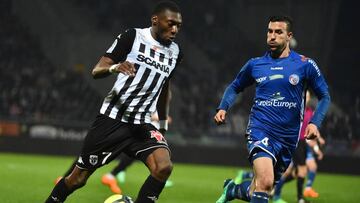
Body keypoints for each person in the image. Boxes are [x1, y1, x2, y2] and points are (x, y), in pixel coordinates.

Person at [45, 1, 183, 202]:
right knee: (77, 179)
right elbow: (96, 70)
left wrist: (161, 125)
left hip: (142, 124)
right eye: (170, 23)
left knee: (163, 167)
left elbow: (164, 88)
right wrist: (114, 67)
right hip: (112, 120)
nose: (175, 29)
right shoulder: (133, 36)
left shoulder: (175, 52)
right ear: (155, 20)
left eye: (178, 25)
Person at [214, 15, 330, 203]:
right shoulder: (255, 64)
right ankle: (237, 190)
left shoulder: (305, 64)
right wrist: (223, 107)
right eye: (269, 32)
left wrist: (315, 123)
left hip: (288, 138)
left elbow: (325, 96)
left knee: (259, 190)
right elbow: (235, 86)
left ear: (288, 36)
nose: (272, 36)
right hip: (261, 129)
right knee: (266, 182)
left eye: (278, 32)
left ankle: (233, 190)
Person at [101, 112, 174, 194]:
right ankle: (114, 173)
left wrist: (159, 118)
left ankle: (115, 173)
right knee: (138, 156)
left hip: (154, 136)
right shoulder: (148, 105)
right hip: (144, 133)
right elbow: (141, 115)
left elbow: (169, 120)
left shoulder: (158, 108)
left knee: (139, 157)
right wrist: (156, 118)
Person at [272, 90, 323, 203]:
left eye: (308, 96)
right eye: (305, 95)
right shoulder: (295, 109)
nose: (307, 98)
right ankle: (299, 198)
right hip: (295, 142)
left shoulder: (309, 111)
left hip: (303, 143)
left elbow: (311, 128)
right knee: (302, 171)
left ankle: (274, 192)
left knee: (292, 173)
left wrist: (317, 142)